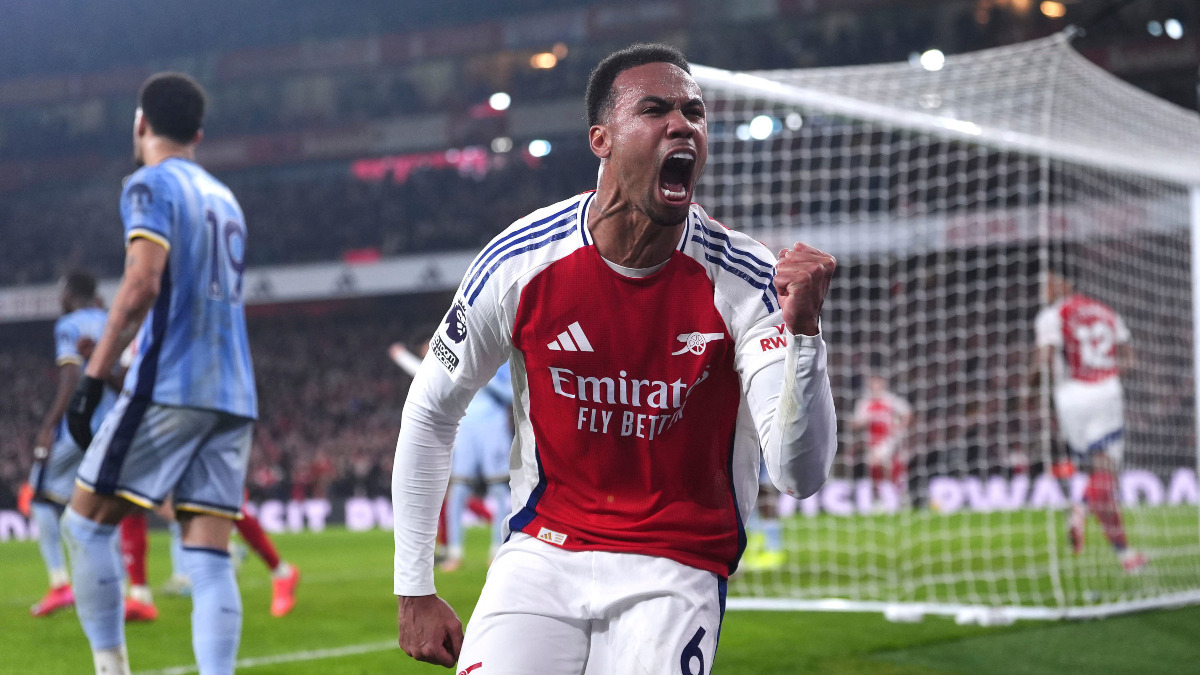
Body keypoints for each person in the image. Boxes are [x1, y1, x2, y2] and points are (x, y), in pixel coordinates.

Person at [392, 43, 838, 673]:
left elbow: (801, 474)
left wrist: (803, 337)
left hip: (676, 565)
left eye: (694, 112)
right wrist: (414, 587)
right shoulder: (521, 263)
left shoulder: (748, 282)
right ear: (601, 139)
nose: (683, 124)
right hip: (542, 554)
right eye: (655, 109)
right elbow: (431, 411)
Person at [62, 72, 257, 675]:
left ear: (140, 123)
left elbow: (143, 282)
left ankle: (110, 668)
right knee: (207, 552)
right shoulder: (225, 197)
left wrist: (94, 376)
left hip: (173, 383)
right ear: (198, 132)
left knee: (83, 524)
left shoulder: (148, 184)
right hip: (236, 393)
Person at [1034, 269, 1145, 573]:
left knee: (1102, 476)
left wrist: (1029, 393)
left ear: (1067, 283)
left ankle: (1125, 555)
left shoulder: (1052, 315)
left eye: (1049, 283)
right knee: (1107, 472)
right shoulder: (1107, 312)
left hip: (1069, 396)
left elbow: (1044, 358)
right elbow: (1130, 360)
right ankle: (1081, 507)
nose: (1043, 289)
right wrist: (1108, 376)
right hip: (1103, 392)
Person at [26, 272, 114, 617]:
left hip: (78, 426)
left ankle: (61, 584)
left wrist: (49, 426)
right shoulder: (111, 319)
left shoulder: (70, 324)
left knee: (40, 496)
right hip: (109, 427)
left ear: (69, 293)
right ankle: (114, 585)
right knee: (101, 506)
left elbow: (71, 376)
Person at [393, 339, 514, 571]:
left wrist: (483, 377)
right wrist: (402, 357)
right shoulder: (461, 362)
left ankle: (498, 550)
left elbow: (510, 394)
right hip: (465, 429)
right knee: (458, 492)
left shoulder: (502, 361)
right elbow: (428, 377)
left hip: (493, 430)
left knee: (499, 490)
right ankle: (455, 553)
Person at [850, 375, 913, 507]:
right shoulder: (864, 403)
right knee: (878, 469)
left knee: (881, 464)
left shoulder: (890, 400)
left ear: (883, 385)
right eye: (873, 384)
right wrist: (863, 420)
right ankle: (885, 497)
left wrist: (899, 429)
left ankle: (894, 497)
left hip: (889, 441)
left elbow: (907, 413)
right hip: (871, 443)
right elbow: (854, 424)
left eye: (878, 384)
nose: (875, 387)